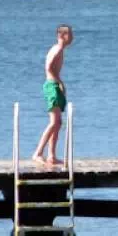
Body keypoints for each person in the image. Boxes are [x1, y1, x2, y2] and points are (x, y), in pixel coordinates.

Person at [32, 24, 72, 166]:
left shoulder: (60, 50)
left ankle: (52, 156)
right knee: (54, 122)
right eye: (69, 34)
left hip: (54, 85)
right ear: (62, 36)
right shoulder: (58, 49)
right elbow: (48, 67)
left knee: (58, 123)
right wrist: (60, 82)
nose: (72, 37)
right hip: (51, 86)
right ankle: (38, 153)